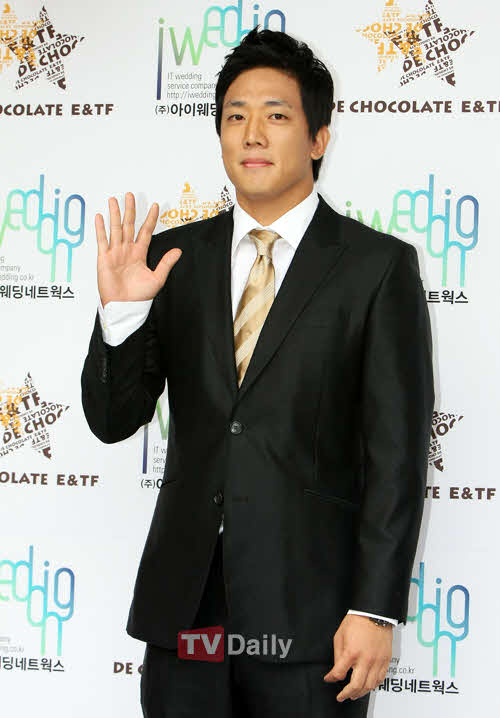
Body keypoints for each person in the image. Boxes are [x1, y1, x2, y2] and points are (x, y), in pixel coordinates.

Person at [81, 27, 434, 718]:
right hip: (187, 616)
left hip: (312, 620)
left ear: (319, 137)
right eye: (235, 115)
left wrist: (374, 608)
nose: (252, 133)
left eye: (276, 115)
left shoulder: (376, 267)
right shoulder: (172, 261)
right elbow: (113, 420)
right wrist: (121, 316)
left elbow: (396, 457)